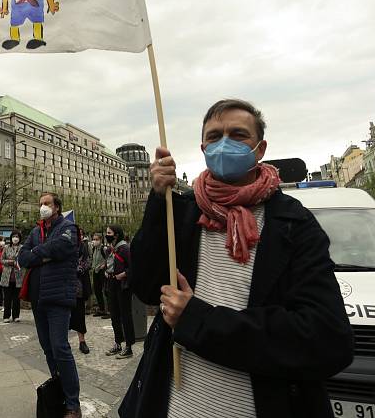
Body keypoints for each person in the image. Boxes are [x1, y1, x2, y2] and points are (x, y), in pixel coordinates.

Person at [119, 99, 354, 418]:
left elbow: (326, 340)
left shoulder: (293, 224)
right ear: (203, 148)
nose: (224, 143)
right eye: (214, 137)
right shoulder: (185, 213)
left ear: (260, 149)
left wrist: (198, 319)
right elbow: (146, 286)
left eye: (238, 134)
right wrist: (159, 202)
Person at [18, 192, 82, 418]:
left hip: (58, 297)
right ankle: (59, 390)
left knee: (60, 347)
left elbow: (61, 248)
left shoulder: (69, 228)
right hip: (38, 298)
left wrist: (39, 254)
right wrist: (40, 255)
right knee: (47, 348)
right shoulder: (36, 231)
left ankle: (73, 404)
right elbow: (23, 257)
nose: (43, 207)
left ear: (56, 207)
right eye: (40, 204)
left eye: (47, 203)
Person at [104, 224, 134, 359]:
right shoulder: (112, 249)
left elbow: (133, 267)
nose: (107, 235)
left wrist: (124, 274)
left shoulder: (125, 249)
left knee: (125, 315)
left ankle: (128, 346)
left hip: (123, 285)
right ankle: (118, 343)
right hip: (111, 283)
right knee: (114, 315)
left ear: (116, 235)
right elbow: (110, 264)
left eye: (109, 233)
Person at [70, 232, 91, 355]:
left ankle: (82, 341)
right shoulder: (65, 245)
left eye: (81, 234)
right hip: (65, 287)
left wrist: (78, 268)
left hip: (79, 288)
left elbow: (88, 261)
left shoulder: (84, 247)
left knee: (79, 315)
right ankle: (62, 342)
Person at [0, 230, 23, 323]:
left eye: (17, 237)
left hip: (18, 277)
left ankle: (16, 316)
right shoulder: (6, 247)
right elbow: (1, 260)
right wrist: (10, 262)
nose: (15, 238)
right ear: (11, 238)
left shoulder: (22, 248)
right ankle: (6, 316)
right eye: (14, 236)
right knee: (7, 298)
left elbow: (24, 260)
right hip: (7, 277)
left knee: (17, 299)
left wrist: (17, 262)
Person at [89, 232, 108, 317]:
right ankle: (101, 309)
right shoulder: (94, 249)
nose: (94, 241)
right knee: (97, 290)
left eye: (96, 239)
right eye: (94, 239)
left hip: (102, 271)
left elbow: (109, 258)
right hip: (95, 270)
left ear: (100, 240)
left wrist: (104, 265)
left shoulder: (104, 249)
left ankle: (108, 310)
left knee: (105, 291)